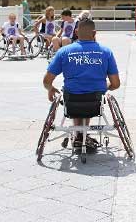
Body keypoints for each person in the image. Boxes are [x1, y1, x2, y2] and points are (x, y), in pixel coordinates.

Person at [43, 18, 120, 151]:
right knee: (90, 95)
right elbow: (116, 84)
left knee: (75, 94)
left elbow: (46, 81)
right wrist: (105, 86)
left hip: (71, 98)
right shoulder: (106, 52)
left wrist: (51, 88)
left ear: (76, 32)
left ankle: (79, 135)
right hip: (95, 99)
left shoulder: (64, 52)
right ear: (94, 33)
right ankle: (81, 135)